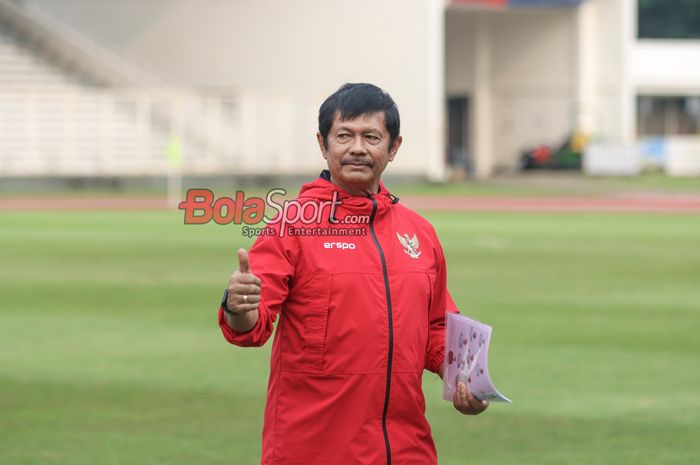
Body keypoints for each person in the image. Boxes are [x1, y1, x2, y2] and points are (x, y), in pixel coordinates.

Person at [218, 83, 488, 465]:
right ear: (323, 144)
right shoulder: (292, 225)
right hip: (314, 449)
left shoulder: (419, 232)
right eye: (344, 136)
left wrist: (468, 381)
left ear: (393, 147)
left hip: (406, 450)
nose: (357, 148)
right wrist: (237, 305)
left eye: (371, 137)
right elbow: (250, 326)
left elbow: (438, 327)